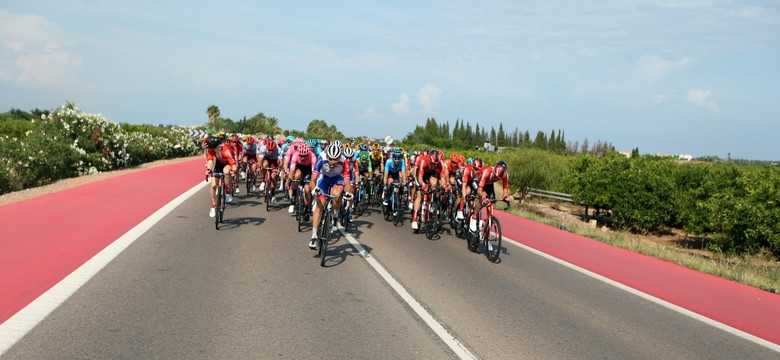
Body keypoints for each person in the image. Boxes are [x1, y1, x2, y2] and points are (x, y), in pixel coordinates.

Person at [308, 144, 353, 249]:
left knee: (337, 195)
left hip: (337, 179)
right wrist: (315, 189)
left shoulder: (344, 161)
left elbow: (347, 181)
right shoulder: (321, 159)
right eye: (331, 159)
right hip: (324, 179)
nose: (333, 162)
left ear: (339, 157)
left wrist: (348, 193)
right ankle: (314, 236)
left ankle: (334, 215)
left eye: (335, 159)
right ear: (327, 156)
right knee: (320, 204)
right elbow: (313, 180)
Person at [411, 150, 448, 230]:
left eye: (436, 164)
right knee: (420, 195)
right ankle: (414, 219)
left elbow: (442, 177)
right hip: (421, 174)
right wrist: (423, 185)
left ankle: (431, 202)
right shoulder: (424, 160)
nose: (434, 165)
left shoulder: (440, 164)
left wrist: (444, 186)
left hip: (431, 174)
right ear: (430, 159)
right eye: (433, 164)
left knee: (434, 183)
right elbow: (420, 178)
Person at [471, 160, 511, 231]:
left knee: (492, 202)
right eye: (495, 177)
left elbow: (505, 188)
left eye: (498, 179)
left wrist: (505, 197)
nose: (496, 179)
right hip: (478, 181)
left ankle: (488, 221)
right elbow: (479, 190)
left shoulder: (505, 175)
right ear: (494, 170)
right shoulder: (487, 171)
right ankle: (474, 217)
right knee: (483, 197)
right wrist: (483, 198)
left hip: (488, 183)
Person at [204, 135, 236, 217]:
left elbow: (234, 165)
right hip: (218, 163)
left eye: (213, 149)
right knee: (214, 185)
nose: (212, 150)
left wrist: (233, 171)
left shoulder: (226, 150)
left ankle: (228, 190)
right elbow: (210, 162)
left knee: (226, 172)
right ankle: (213, 205)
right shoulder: (211, 150)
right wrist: (208, 169)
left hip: (227, 163)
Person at [288, 141, 315, 216]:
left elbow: (313, 172)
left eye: (304, 156)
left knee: (307, 190)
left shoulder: (312, 156)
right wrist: (290, 179)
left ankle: (306, 207)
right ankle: (294, 193)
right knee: (296, 175)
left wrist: (312, 181)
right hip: (299, 167)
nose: (302, 158)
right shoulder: (295, 155)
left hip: (308, 169)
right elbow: (292, 170)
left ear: (308, 153)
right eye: (301, 156)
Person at [258, 137, 282, 203]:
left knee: (273, 177)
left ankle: (273, 193)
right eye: (269, 150)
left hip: (274, 161)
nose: (270, 152)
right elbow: (260, 160)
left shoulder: (278, 149)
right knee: (264, 165)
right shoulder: (263, 148)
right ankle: (263, 180)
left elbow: (280, 161)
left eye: (272, 150)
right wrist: (259, 166)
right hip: (266, 159)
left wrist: (279, 168)